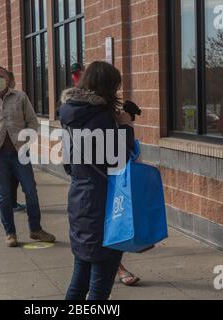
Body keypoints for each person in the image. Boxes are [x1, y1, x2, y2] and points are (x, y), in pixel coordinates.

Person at [60, 61, 136, 300]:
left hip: (79, 201)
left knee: (79, 278)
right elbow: (120, 158)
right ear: (107, 87)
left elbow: (68, 165)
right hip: (104, 206)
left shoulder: (70, 114)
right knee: (99, 289)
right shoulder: (101, 119)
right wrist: (125, 126)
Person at [0, 65, 56, 248]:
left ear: (8, 79)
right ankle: (10, 233)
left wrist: (27, 141)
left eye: (2, 76)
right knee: (4, 196)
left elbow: (32, 121)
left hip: (20, 153)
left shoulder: (20, 97)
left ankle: (36, 229)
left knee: (31, 191)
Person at [7, 71, 27, 212]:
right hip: (10, 148)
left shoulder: (20, 97)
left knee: (14, 179)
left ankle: (12, 203)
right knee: (12, 179)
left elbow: (30, 120)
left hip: (19, 146)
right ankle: (11, 204)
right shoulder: (16, 98)